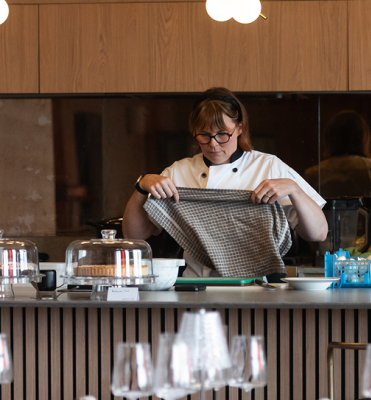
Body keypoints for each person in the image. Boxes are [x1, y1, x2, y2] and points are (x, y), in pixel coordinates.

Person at [123, 87, 328, 276]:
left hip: (257, 287)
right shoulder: (179, 172)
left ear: (239, 128)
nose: (213, 144)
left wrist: (294, 189)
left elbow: (318, 233)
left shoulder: (268, 166)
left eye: (222, 134)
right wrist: (141, 186)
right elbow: (134, 235)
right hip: (197, 286)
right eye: (204, 135)